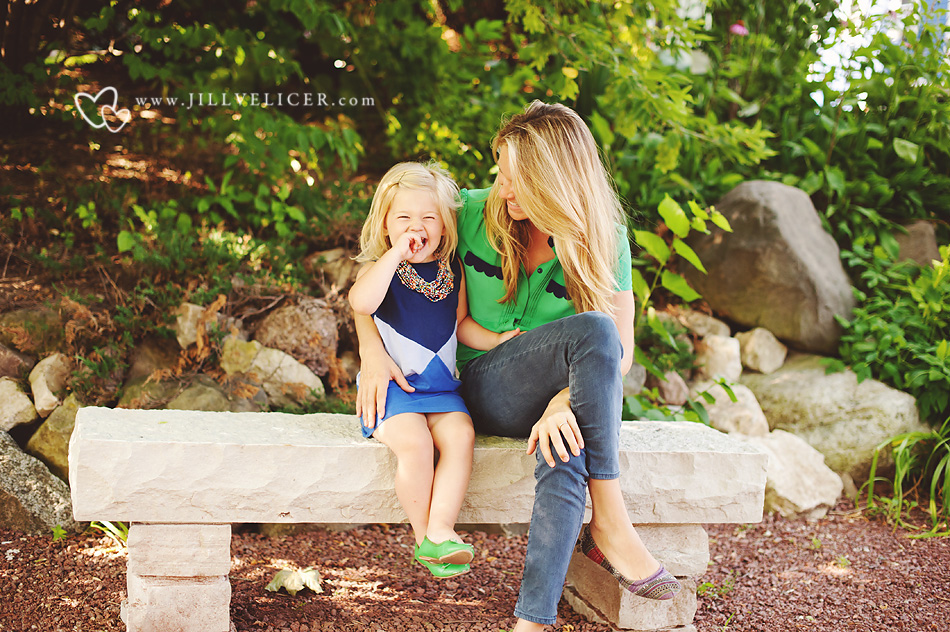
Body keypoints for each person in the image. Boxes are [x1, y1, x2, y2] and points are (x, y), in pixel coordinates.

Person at [355, 103, 682, 629]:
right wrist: (371, 350)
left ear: (553, 182)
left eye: (513, 179)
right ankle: (612, 524)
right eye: (500, 175)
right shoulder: (467, 213)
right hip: (469, 388)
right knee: (591, 331)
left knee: (568, 440)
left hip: (544, 397)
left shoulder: (606, 237)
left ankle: (532, 622)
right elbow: (378, 280)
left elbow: (618, 353)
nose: (502, 190)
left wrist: (561, 403)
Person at [348, 161, 520, 580]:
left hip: (441, 387)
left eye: (429, 217)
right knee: (416, 444)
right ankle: (426, 538)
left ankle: (442, 528)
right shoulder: (380, 269)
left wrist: (497, 341)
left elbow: (459, 325)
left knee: (460, 436)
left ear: (445, 226)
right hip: (393, 389)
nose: (416, 227)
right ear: (386, 224)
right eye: (403, 218)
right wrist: (393, 255)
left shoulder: (451, 271)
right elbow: (361, 303)